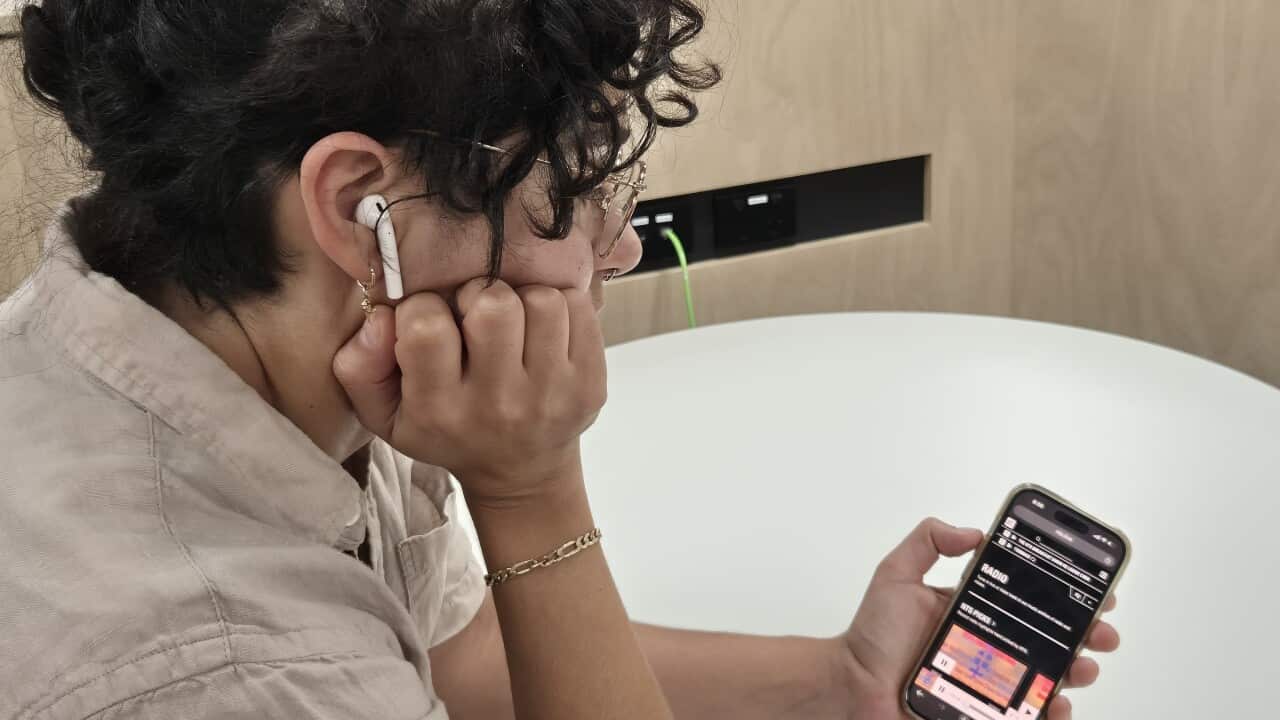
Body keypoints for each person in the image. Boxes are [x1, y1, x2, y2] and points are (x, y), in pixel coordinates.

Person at [0, 2, 1119, 718]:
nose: (617, 246)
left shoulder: (247, 328)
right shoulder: (232, 678)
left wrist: (835, 675)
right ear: (360, 205)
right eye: (571, 190)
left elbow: (457, 653)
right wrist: (530, 490)